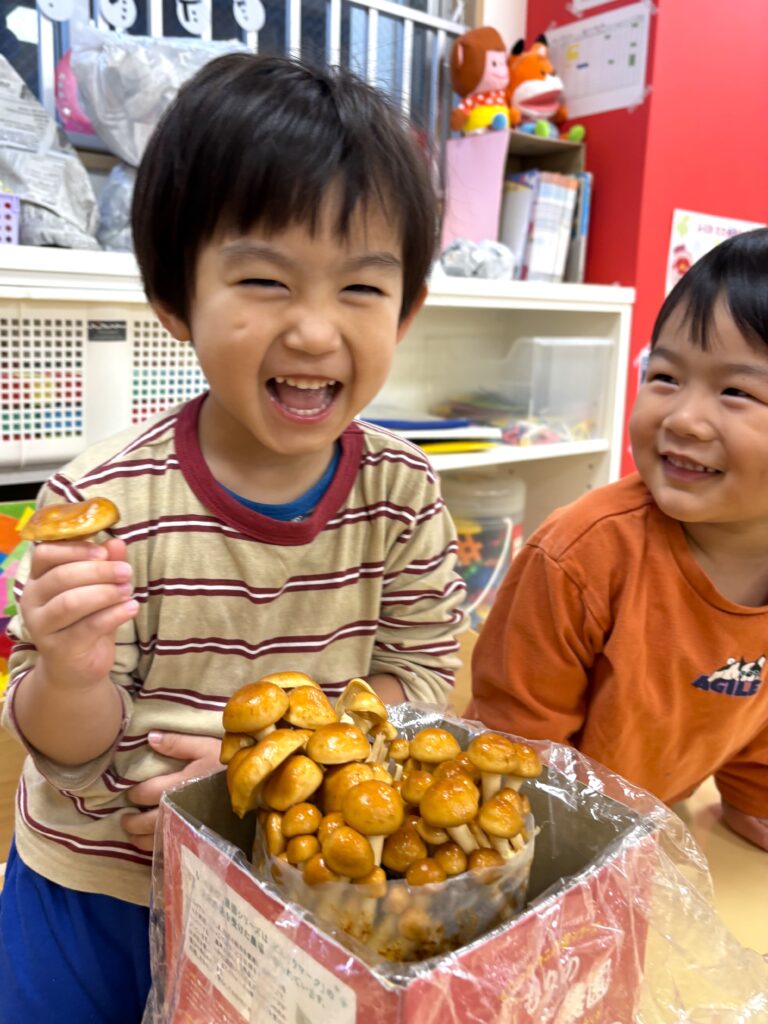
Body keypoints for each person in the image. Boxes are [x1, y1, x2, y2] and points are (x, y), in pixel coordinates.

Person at [0, 53, 465, 1023]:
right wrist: (72, 677)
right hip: (96, 886)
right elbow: (63, 754)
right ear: (175, 298)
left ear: (409, 309)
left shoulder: (404, 493)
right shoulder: (100, 501)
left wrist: (270, 762)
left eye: (362, 290)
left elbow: (422, 682)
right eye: (263, 279)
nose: (310, 330)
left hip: (284, 888)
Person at [468, 227, 768, 853]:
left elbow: (755, 724)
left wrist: (751, 803)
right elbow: (513, 751)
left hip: (653, 828)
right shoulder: (582, 555)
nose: (683, 417)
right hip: (525, 827)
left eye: (736, 391)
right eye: (664, 376)